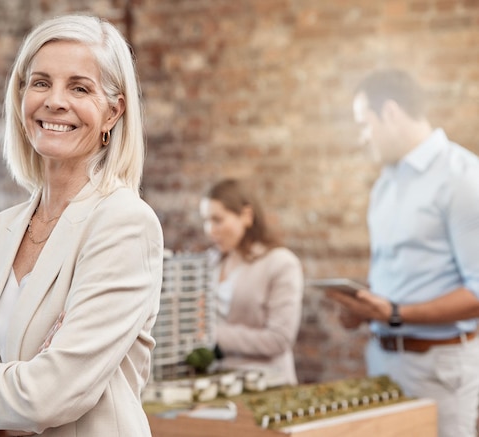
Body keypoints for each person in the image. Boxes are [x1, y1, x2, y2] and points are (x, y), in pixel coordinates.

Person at [0, 14, 164, 437]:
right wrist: (8, 415)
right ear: (21, 95)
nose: (55, 101)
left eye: (79, 87)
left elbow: (52, 395)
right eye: (41, 82)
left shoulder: (124, 223)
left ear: (113, 113)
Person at [326, 68, 479, 437]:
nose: (363, 138)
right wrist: (365, 307)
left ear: (391, 113)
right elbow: (398, 273)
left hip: (439, 368)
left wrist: (396, 312)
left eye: (364, 124)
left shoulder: (462, 178)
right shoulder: (385, 184)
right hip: (382, 361)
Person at [199, 179, 304, 387]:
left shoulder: (281, 263)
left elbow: (279, 339)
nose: (210, 230)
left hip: (267, 385)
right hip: (215, 385)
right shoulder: (208, 262)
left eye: (217, 220)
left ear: (246, 216)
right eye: (206, 221)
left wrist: (211, 334)